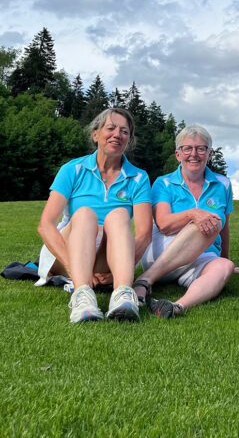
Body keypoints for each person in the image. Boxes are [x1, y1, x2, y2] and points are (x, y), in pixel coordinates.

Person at [37, 107, 152, 323]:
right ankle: (82, 295)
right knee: (85, 214)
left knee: (119, 215)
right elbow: (46, 225)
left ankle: (122, 294)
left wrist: (119, 272)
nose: (117, 134)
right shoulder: (73, 169)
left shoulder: (139, 177)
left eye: (124, 131)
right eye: (111, 128)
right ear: (95, 134)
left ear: (129, 140)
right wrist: (72, 267)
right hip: (69, 252)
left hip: (109, 255)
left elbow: (145, 234)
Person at [132, 125, 236, 318]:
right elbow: (164, 224)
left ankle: (176, 307)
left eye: (201, 148)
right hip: (163, 254)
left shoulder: (223, 184)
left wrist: (226, 258)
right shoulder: (163, 183)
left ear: (209, 154)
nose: (193, 154)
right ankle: (145, 280)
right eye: (187, 148)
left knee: (224, 267)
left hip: (200, 258)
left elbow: (225, 228)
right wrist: (192, 214)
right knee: (209, 221)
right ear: (178, 154)